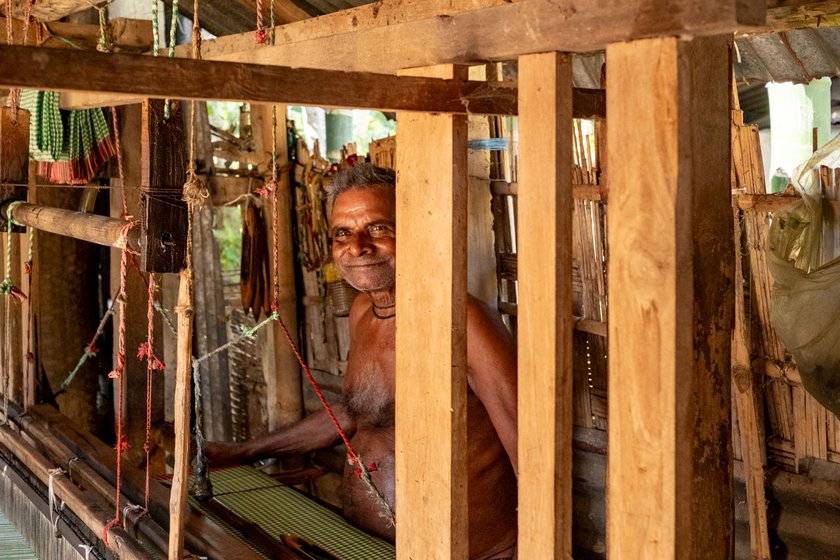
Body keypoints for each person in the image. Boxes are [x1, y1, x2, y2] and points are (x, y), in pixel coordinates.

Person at [205, 163, 518, 560]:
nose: (357, 247)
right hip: (366, 547)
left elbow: (529, 448)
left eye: (378, 228)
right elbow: (359, 411)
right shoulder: (362, 313)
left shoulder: (463, 321)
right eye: (342, 233)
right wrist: (243, 452)